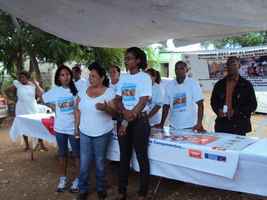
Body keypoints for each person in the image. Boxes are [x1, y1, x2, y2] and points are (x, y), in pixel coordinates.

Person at [115, 47, 152, 200]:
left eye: (129, 58)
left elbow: (143, 100)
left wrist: (131, 115)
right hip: (125, 119)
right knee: (124, 156)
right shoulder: (123, 78)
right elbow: (117, 100)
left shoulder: (144, 77)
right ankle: (121, 191)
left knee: (142, 156)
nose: (126, 60)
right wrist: (125, 114)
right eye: (126, 58)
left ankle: (142, 192)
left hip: (139, 121)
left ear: (138, 60)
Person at [76, 65, 116, 200]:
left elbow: (115, 113)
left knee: (100, 162)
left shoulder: (110, 92)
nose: (90, 78)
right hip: (84, 131)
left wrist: (106, 108)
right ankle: (83, 189)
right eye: (90, 76)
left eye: (94, 76)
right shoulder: (83, 90)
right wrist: (77, 128)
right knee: (84, 163)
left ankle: (101, 188)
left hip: (102, 132)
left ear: (102, 78)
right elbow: (77, 109)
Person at [42, 65, 80, 193]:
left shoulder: (76, 90)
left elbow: (78, 110)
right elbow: (43, 97)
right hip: (59, 129)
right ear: (58, 77)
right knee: (62, 155)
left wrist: (77, 128)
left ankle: (78, 179)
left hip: (73, 129)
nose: (66, 77)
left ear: (71, 76)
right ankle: (63, 179)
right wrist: (36, 86)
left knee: (76, 155)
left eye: (68, 74)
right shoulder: (55, 91)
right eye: (62, 75)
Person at [210, 56, 257, 135]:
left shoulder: (246, 85)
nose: (231, 67)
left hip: (239, 125)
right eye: (228, 64)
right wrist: (218, 110)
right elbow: (213, 102)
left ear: (239, 66)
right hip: (222, 124)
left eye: (234, 64)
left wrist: (235, 111)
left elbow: (253, 105)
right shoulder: (219, 84)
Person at [155, 61, 205, 132]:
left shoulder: (193, 84)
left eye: (181, 68)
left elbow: (200, 104)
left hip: (190, 126)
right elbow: (166, 106)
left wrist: (199, 123)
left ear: (186, 70)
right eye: (176, 69)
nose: (178, 71)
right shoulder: (169, 85)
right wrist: (162, 123)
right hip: (173, 126)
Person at [5, 71, 47, 151]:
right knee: (23, 126)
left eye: (23, 77)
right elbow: (6, 91)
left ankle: (41, 144)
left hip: (32, 108)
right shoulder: (17, 84)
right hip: (21, 108)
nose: (22, 79)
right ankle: (27, 145)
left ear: (27, 77)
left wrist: (35, 83)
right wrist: (12, 99)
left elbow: (41, 93)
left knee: (36, 126)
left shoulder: (33, 84)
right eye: (20, 77)